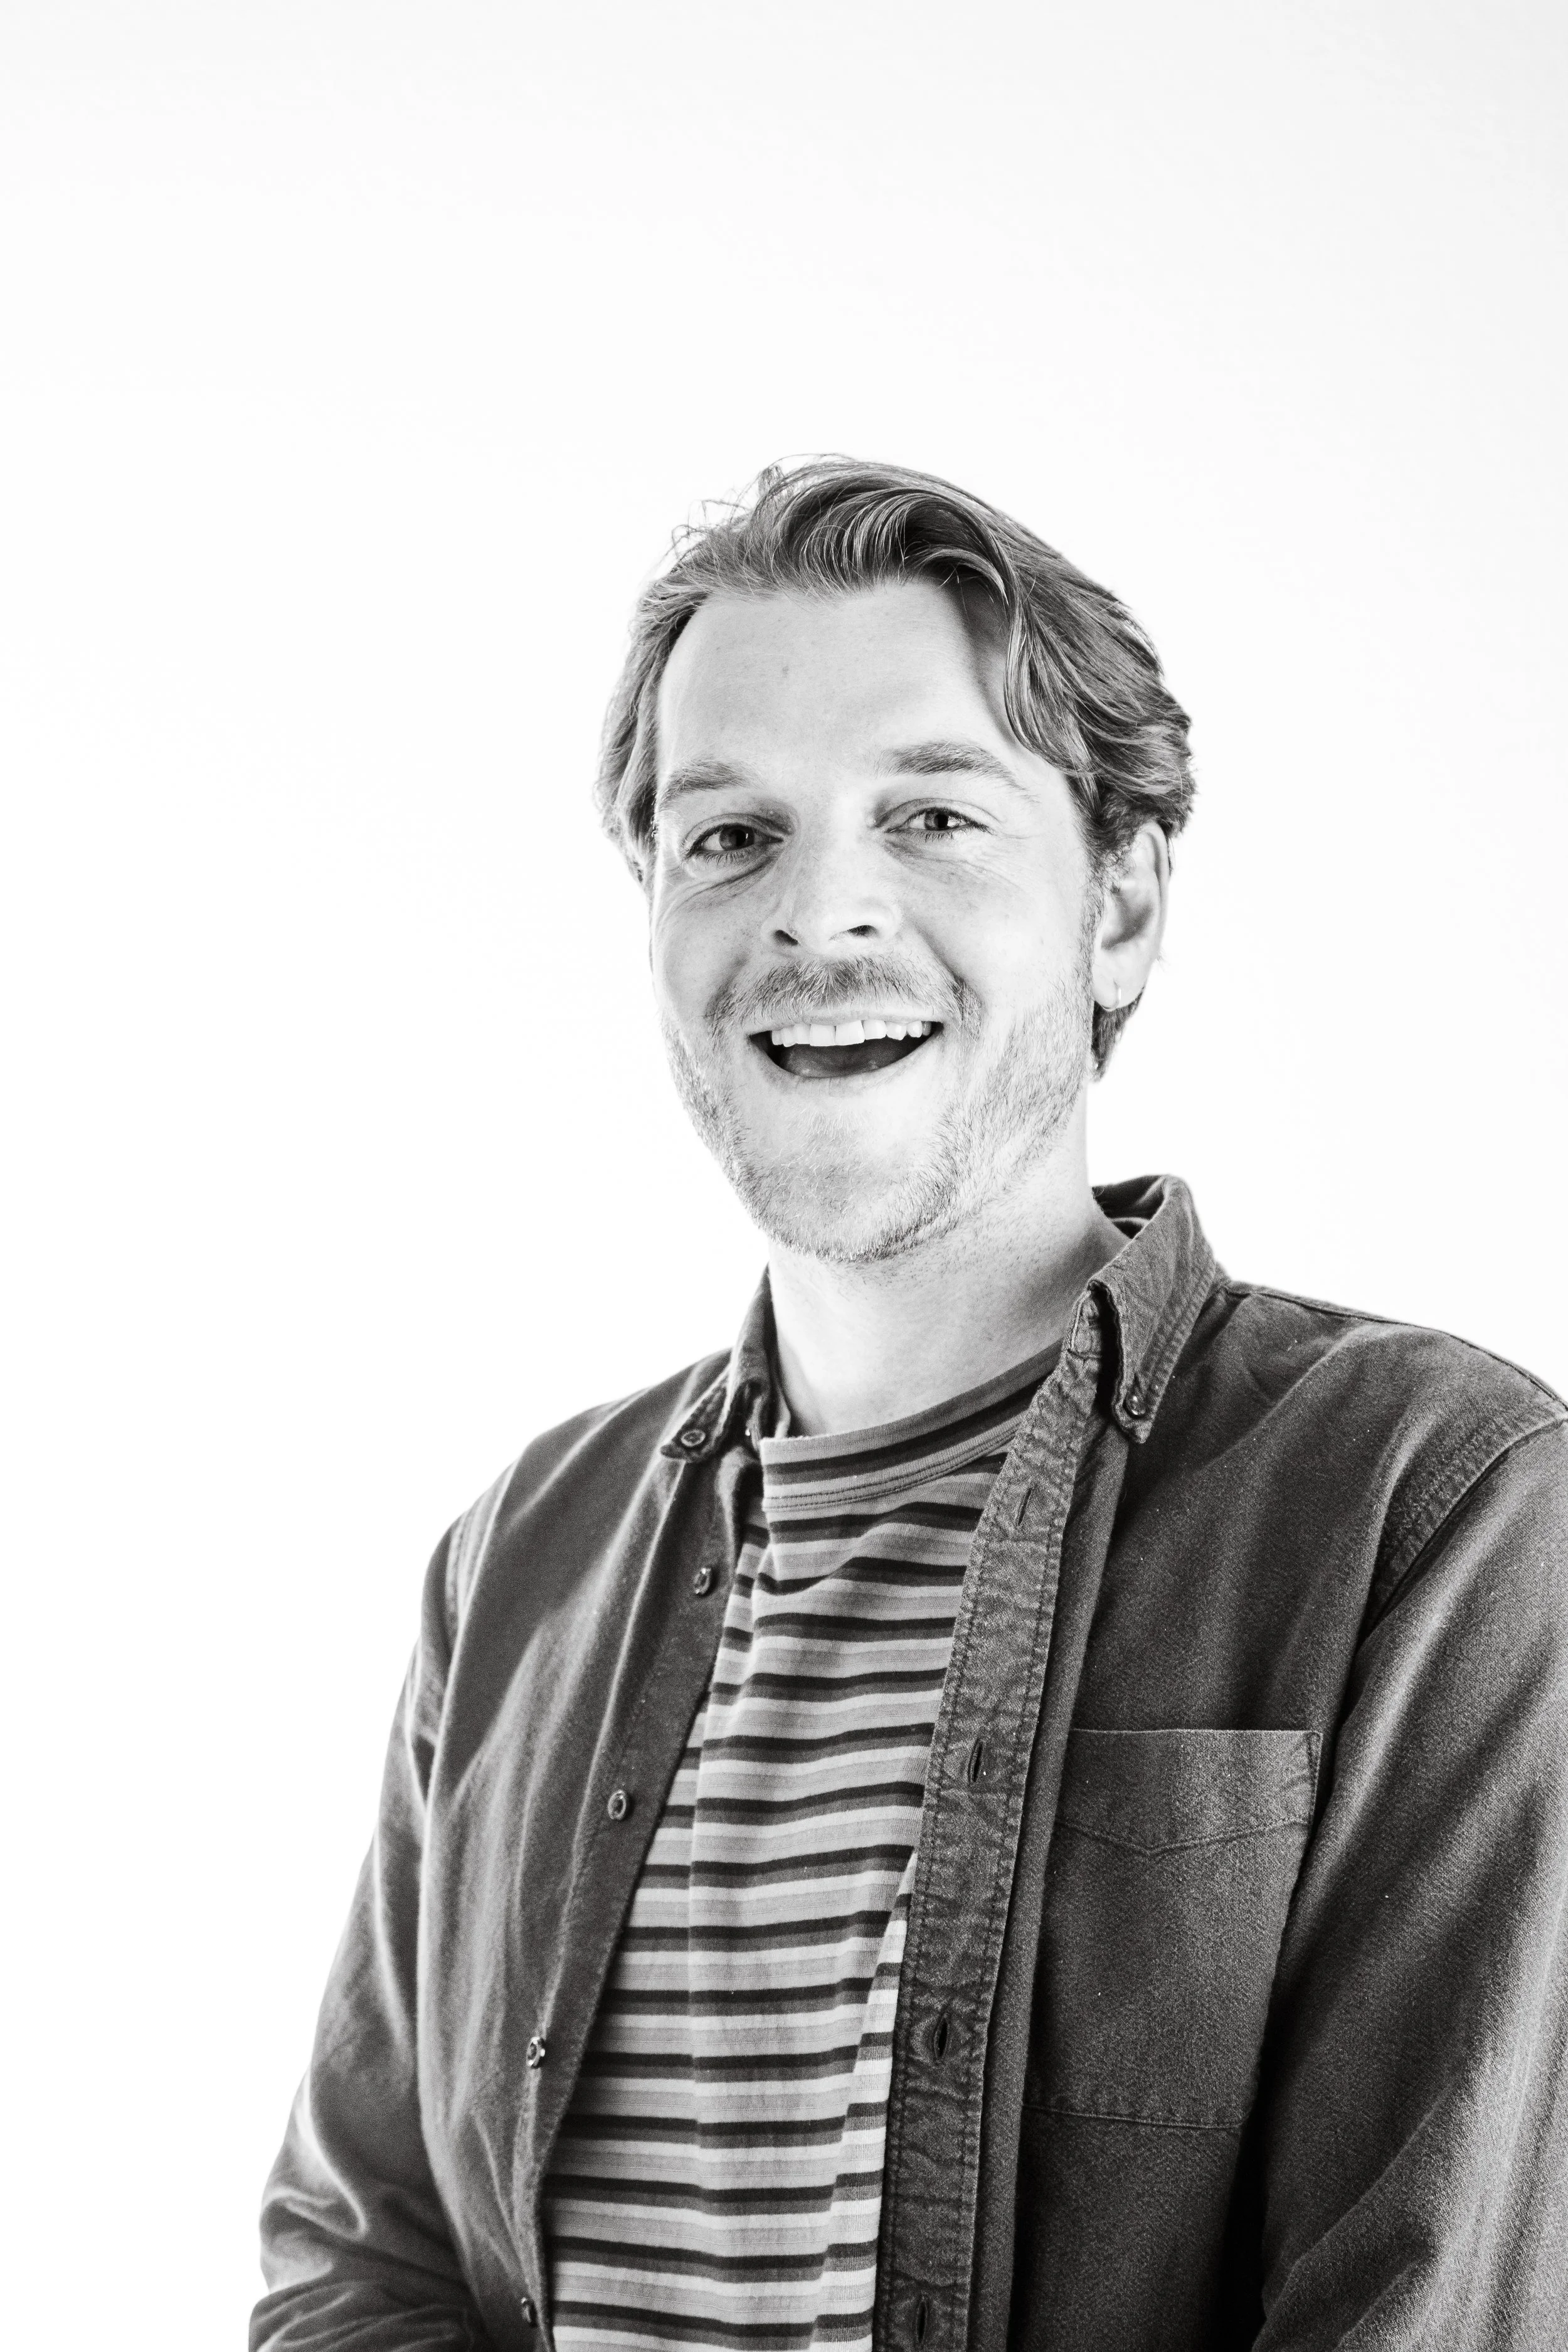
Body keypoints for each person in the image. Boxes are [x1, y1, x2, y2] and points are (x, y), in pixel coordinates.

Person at [253, 458, 1568, 2352]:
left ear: (1123, 902)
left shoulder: (1432, 1508)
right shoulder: (516, 1559)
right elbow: (358, 2256)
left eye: (932, 815)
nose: (820, 913)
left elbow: (1422, 2310)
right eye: (730, 836)